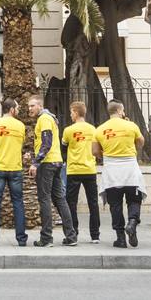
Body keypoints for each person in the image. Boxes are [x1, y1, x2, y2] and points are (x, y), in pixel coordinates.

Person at [25, 96, 76, 247]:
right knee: (59, 198)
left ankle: (46, 238)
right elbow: (48, 143)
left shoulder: (44, 119)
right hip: (56, 162)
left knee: (45, 199)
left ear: (40, 106)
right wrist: (34, 155)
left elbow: (46, 142)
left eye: (32, 105)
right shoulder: (48, 118)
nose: (30, 109)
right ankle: (71, 236)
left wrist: (36, 162)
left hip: (47, 164)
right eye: (28, 106)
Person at [95, 99, 145, 249]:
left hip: (111, 170)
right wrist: (132, 148)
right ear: (120, 111)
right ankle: (132, 222)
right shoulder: (131, 125)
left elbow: (95, 151)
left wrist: (107, 154)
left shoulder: (100, 129)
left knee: (115, 205)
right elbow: (141, 141)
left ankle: (120, 238)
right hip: (130, 167)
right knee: (134, 200)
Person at [0, 98, 27, 248]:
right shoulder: (20, 126)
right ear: (11, 109)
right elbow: (20, 145)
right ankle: (21, 239)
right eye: (17, 107)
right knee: (18, 203)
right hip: (15, 168)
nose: (18, 110)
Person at [62, 101, 101, 243]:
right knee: (93, 203)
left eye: (71, 112)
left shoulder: (68, 130)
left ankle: (74, 233)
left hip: (73, 170)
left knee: (71, 203)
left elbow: (64, 148)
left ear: (76, 112)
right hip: (90, 170)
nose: (70, 115)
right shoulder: (93, 129)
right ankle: (95, 235)